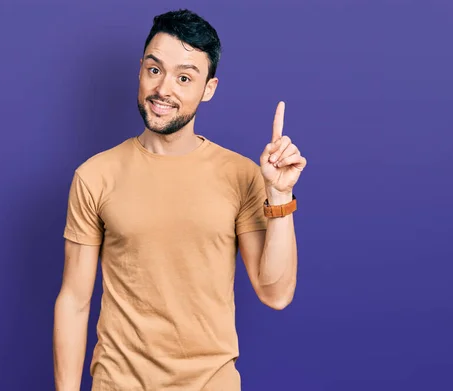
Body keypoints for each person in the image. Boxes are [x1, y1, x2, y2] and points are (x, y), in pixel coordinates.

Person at [53, 8, 307, 391]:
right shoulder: (94, 176)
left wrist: (280, 194)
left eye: (184, 77)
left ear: (209, 88)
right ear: (140, 70)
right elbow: (73, 301)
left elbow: (275, 293)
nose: (163, 89)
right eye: (155, 70)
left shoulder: (240, 175)